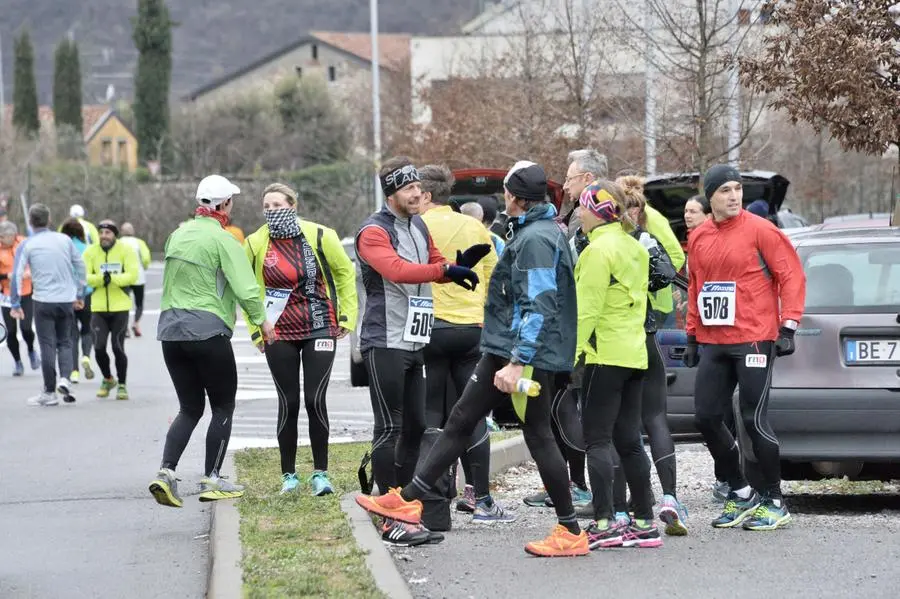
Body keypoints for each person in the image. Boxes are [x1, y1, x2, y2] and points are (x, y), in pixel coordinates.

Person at [355, 160, 589, 558]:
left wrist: (517, 361)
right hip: (503, 347)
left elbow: (540, 304)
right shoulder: (533, 231)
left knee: (536, 435)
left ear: (513, 198)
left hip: (522, 354)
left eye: (506, 194)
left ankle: (569, 529)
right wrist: (450, 270)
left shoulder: (536, 239)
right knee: (462, 420)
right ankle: (411, 498)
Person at [354, 156, 483, 546]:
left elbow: (431, 260)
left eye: (418, 188)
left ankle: (404, 508)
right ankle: (386, 511)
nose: (417, 194)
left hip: (416, 339)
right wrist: (443, 272)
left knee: (414, 426)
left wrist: (456, 266)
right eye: (409, 189)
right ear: (392, 192)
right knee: (389, 427)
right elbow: (396, 270)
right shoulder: (372, 232)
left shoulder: (419, 224)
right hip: (385, 340)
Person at [684, 164, 806, 531]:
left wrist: (789, 326)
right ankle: (739, 491)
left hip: (754, 336)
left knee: (753, 418)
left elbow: (791, 275)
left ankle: (774, 499)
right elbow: (696, 286)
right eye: (725, 190)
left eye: (737, 188)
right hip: (715, 341)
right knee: (706, 417)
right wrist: (692, 334)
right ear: (711, 197)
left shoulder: (761, 230)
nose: (734, 196)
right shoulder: (701, 235)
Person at [149, 175, 274, 508]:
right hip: (207, 332)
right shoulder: (224, 240)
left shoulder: (177, 236)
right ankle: (212, 478)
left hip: (170, 332)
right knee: (222, 406)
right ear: (224, 205)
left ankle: (166, 472)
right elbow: (245, 287)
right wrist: (262, 322)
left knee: (189, 408)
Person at [242, 183, 357, 496]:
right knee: (289, 402)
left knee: (314, 399)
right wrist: (256, 328)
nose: (271, 211)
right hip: (277, 331)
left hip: (319, 324)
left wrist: (346, 315)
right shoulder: (254, 243)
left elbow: (344, 273)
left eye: (277, 205)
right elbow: (248, 290)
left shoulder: (320, 235)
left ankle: (321, 474)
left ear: (292, 205)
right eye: (266, 207)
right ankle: (289, 476)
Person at [418, 165, 511, 523]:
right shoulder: (475, 227)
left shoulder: (416, 227)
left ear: (424, 195)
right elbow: (494, 279)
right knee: (471, 413)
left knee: (432, 414)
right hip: (472, 329)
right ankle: (481, 498)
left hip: (428, 328)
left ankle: (431, 495)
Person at [573, 180, 661, 549]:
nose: (578, 213)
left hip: (602, 354)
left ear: (596, 210)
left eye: (582, 207)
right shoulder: (634, 245)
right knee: (629, 441)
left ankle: (605, 521)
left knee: (596, 440)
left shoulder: (596, 251)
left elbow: (586, 311)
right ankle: (644, 521)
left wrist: (572, 357)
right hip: (634, 353)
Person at [520, 148, 608, 514]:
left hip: (582, 332)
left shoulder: (587, 221)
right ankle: (579, 483)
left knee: (569, 406)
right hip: (589, 330)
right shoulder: (581, 217)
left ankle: (581, 486)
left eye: (570, 178)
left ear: (587, 179)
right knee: (573, 407)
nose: (566, 185)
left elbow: (576, 281)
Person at [615, 175, 688, 535]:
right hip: (645, 335)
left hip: (613, 343)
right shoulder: (645, 239)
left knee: (617, 426)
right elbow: (666, 273)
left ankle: (621, 507)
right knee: (655, 418)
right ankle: (670, 497)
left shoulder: (597, 241)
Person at [10, 204, 86, 405]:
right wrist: (79, 293)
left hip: (43, 301)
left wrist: (15, 303)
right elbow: (80, 266)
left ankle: (49, 392)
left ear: (31, 222)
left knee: (47, 345)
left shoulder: (27, 244)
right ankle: (65, 379)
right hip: (66, 299)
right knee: (66, 342)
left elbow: (17, 274)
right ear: (49, 219)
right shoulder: (65, 240)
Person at [83, 220, 139, 400]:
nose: (104, 236)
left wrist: (113, 279)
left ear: (114, 234)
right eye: (101, 233)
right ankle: (108, 379)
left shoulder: (125, 250)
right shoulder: (91, 251)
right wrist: (101, 279)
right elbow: (84, 276)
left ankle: (122, 384)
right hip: (98, 307)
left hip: (120, 307)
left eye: (108, 233)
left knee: (117, 347)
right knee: (98, 347)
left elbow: (132, 275)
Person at [60, 218, 96, 384]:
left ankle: (74, 371)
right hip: (86, 294)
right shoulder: (89, 249)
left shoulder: (62, 249)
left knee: (71, 333)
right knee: (87, 329)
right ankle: (86, 356)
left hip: (68, 295)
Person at [0, 221, 38, 376]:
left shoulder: (24, 243)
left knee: (26, 328)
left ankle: (31, 350)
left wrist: (31, 272)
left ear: (13, 235)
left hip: (26, 291)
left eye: (3, 236)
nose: (1, 239)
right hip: (7, 294)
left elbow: (36, 261)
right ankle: (17, 362)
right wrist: (6, 275)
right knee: (11, 330)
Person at [119, 223, 152, 337]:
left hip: (123, 277)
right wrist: (144, 267)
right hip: (139, 277)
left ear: (122, 231)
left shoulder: (119, 243)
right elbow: (146, 258)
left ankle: (125, 327)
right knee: (139, 303)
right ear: (132, 231)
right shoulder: (139, 242)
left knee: (124, 303)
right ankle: (136, 323)